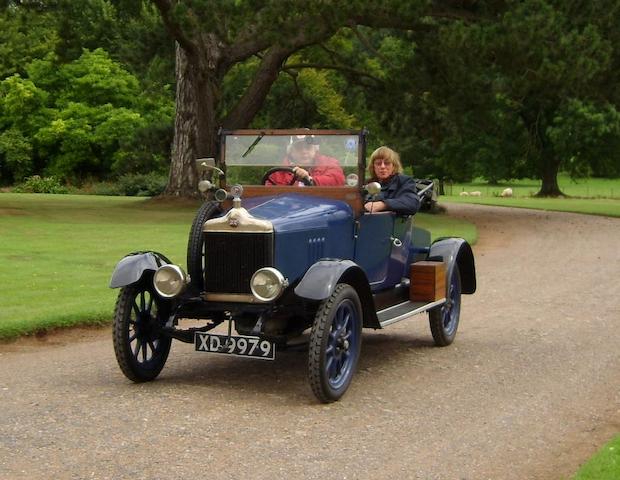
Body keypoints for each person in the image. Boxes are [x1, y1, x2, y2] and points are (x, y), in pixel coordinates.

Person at [266, 135, 345, 186]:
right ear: (291, 152)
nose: (304, 152)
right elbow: (268, 192)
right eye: (299, 148)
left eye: (308, 147)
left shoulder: (329, 164)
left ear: (315, 150)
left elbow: (338, 179)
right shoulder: (279, 172)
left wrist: (310, 180)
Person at [364, 146, 420, 216]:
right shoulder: (366, 183)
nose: (382, 167)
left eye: (387, 163)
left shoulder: (404, 182)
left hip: (390, 224)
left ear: (394, 166)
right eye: (378, 163)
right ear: (373, 166)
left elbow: (412, 203)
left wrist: (383, 204)